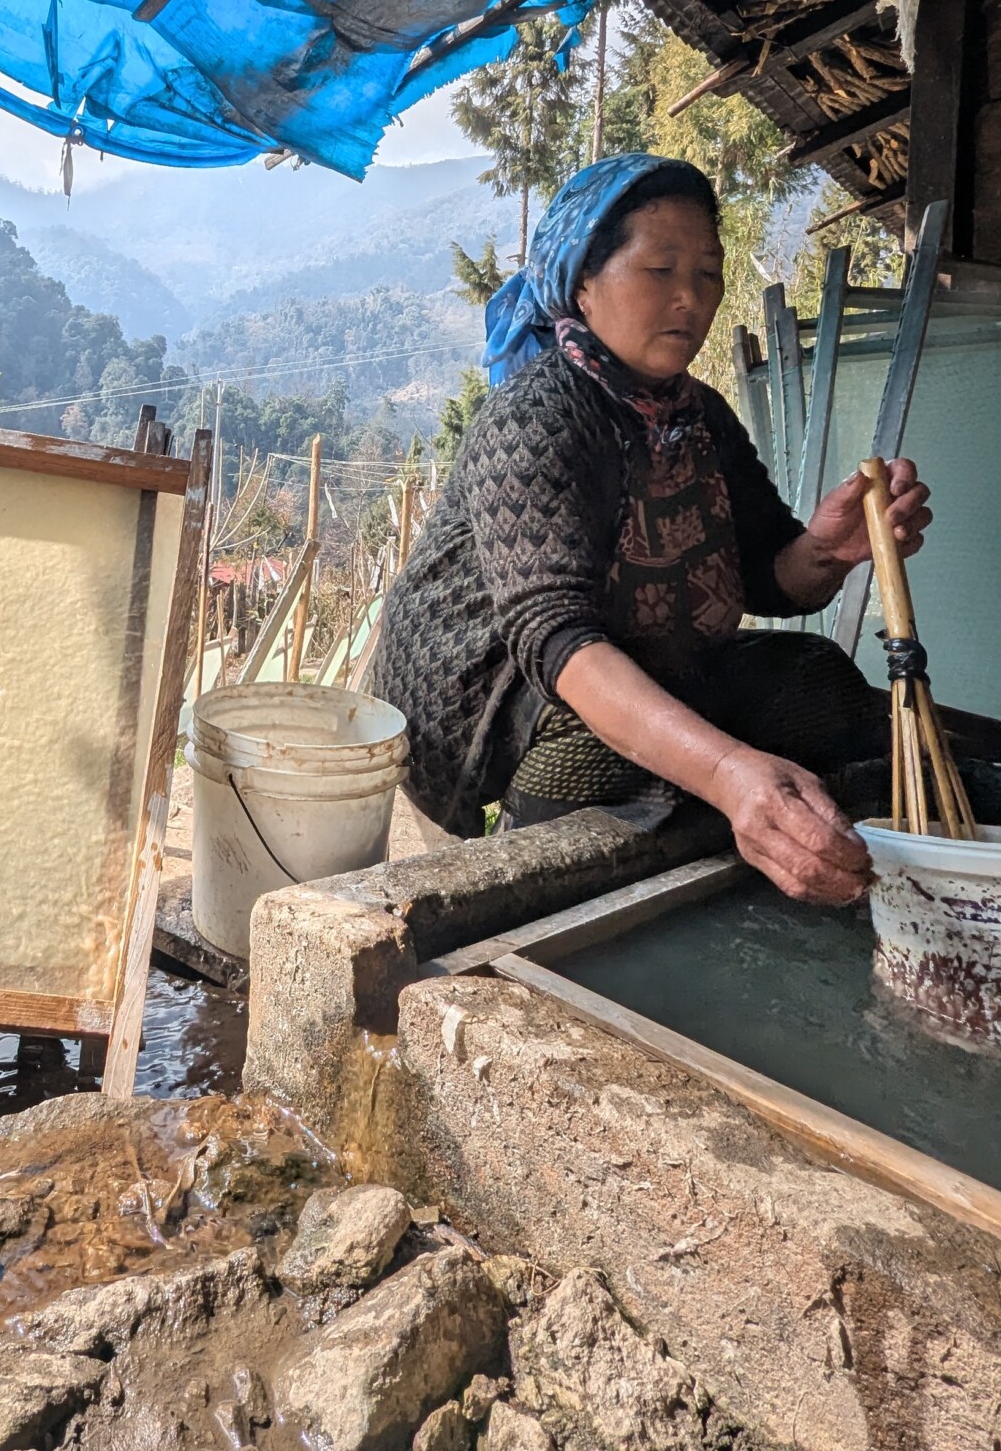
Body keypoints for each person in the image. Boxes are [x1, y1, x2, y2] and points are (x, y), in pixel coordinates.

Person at [372, 153, 931, 906]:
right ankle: (531, 887)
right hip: (493, 712)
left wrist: (829, 549)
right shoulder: (538, 416)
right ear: (581, 284)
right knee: (598, 766)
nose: (690, 300)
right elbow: (557, 640)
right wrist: (731, 774)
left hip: (642, 668)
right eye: (660, 269)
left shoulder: (701, 419)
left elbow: (767, 574)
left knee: (818, 681)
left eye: (706, 273)